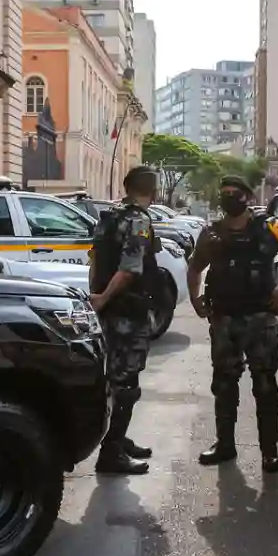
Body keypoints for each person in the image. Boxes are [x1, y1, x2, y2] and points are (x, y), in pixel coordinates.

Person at [186, 175, 278, 473]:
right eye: (225, 193)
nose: (229, 197)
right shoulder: (211, 233)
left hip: (260, 319)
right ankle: (225, 445)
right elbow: (194, 268)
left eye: (235, 193)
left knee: (266, 386)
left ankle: (269, 451)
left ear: (247, 197)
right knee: (224, 384)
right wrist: (195, 300)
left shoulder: (270, 228)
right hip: (224, 319)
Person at [88, 166, 162, 475]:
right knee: (127, 384)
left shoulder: (110, 217)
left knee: (114, 379)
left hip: (110, 311)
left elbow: (95, 259)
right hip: (126, 311)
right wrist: (105, 297)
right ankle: (111, 453)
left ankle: (117, 439)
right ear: (153, 192)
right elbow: (131, 268)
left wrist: (98, 296)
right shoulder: (138, 221)